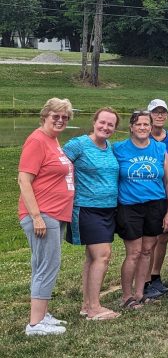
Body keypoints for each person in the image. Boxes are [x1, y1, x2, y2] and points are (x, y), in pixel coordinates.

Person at [18, 98, 75, 336]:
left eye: (65, 117)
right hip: (43, 214)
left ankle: (41, 314)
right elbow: (24, 180)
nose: (60, 120)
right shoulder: (37, 140)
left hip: (55, 214)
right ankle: (35, 324)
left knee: (42, 264)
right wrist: (36, 216)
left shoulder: (52, 140)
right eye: (56, 116)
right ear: (45, 116)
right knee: (47, 265)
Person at [63, 107, 121, 321]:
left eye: (110, 125)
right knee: (103, 256)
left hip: (108, 209)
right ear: (94, 122)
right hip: (86, 208)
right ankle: (95, 308)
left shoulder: (109, 147)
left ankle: (87, 304)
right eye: (102, 122)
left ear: (114, 129)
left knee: (92, 257)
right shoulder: (78, 144)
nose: (105, 127)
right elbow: (57, 165)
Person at [113, 111, 168, 309]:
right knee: (134, 252)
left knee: (147, 250)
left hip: (155, 205)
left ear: (151, 127)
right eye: (138, 124)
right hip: (130, 205)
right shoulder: (119, 149)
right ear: (131, 126)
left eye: (146, 124)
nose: (142, 128)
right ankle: (126, 296)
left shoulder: (159, 148)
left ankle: (140, 293)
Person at [146, 98, 168, 298]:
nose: (159, 115)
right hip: (147, 194)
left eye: (163, 112)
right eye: (155, 112)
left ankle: (155, 274)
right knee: (149, 237)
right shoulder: (142, 135)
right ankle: (145, 277)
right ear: (149, 114)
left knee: (164, 235)